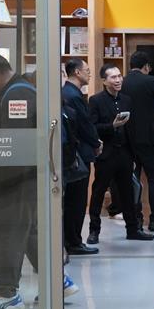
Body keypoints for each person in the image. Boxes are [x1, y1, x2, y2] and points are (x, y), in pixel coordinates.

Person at [0, 53, 78, 309]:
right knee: (30, 232)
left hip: (15, 181)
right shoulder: (23, 90)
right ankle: (57, 280)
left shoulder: (16, 96)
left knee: (6, 233)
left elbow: (15, 146)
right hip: (29, 178)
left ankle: (6, 294)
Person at [87, 63, 151, 243]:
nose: (118, 80)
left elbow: (131, 128)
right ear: (104, 81)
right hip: (106, 154)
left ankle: (133, 229)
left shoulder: (126, 100)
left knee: (127, 193)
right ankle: (94, 231)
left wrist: (133, 155)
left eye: (119, 76)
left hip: (125, 153)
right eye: (113, 77)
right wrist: (112, 126)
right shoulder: (96, 100)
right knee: (99, 192)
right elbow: (92, 128)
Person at [122, 50, 154, 232]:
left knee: (132, 180)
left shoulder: (122, 82)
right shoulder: (152, 81)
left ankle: (135, 219)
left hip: (128, 139)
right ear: (146, 66)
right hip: (150, 139)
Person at [61, 58, 101, 256]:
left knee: (74, 200)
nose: (89, 73)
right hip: (78, 154)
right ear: (77, 72)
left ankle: (72, 240)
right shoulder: (73, 95)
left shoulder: (68, 93)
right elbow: (84, 125)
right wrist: (96, 143)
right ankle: (74, 242)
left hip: (76, 153)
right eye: (87, 70)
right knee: (76, 200)